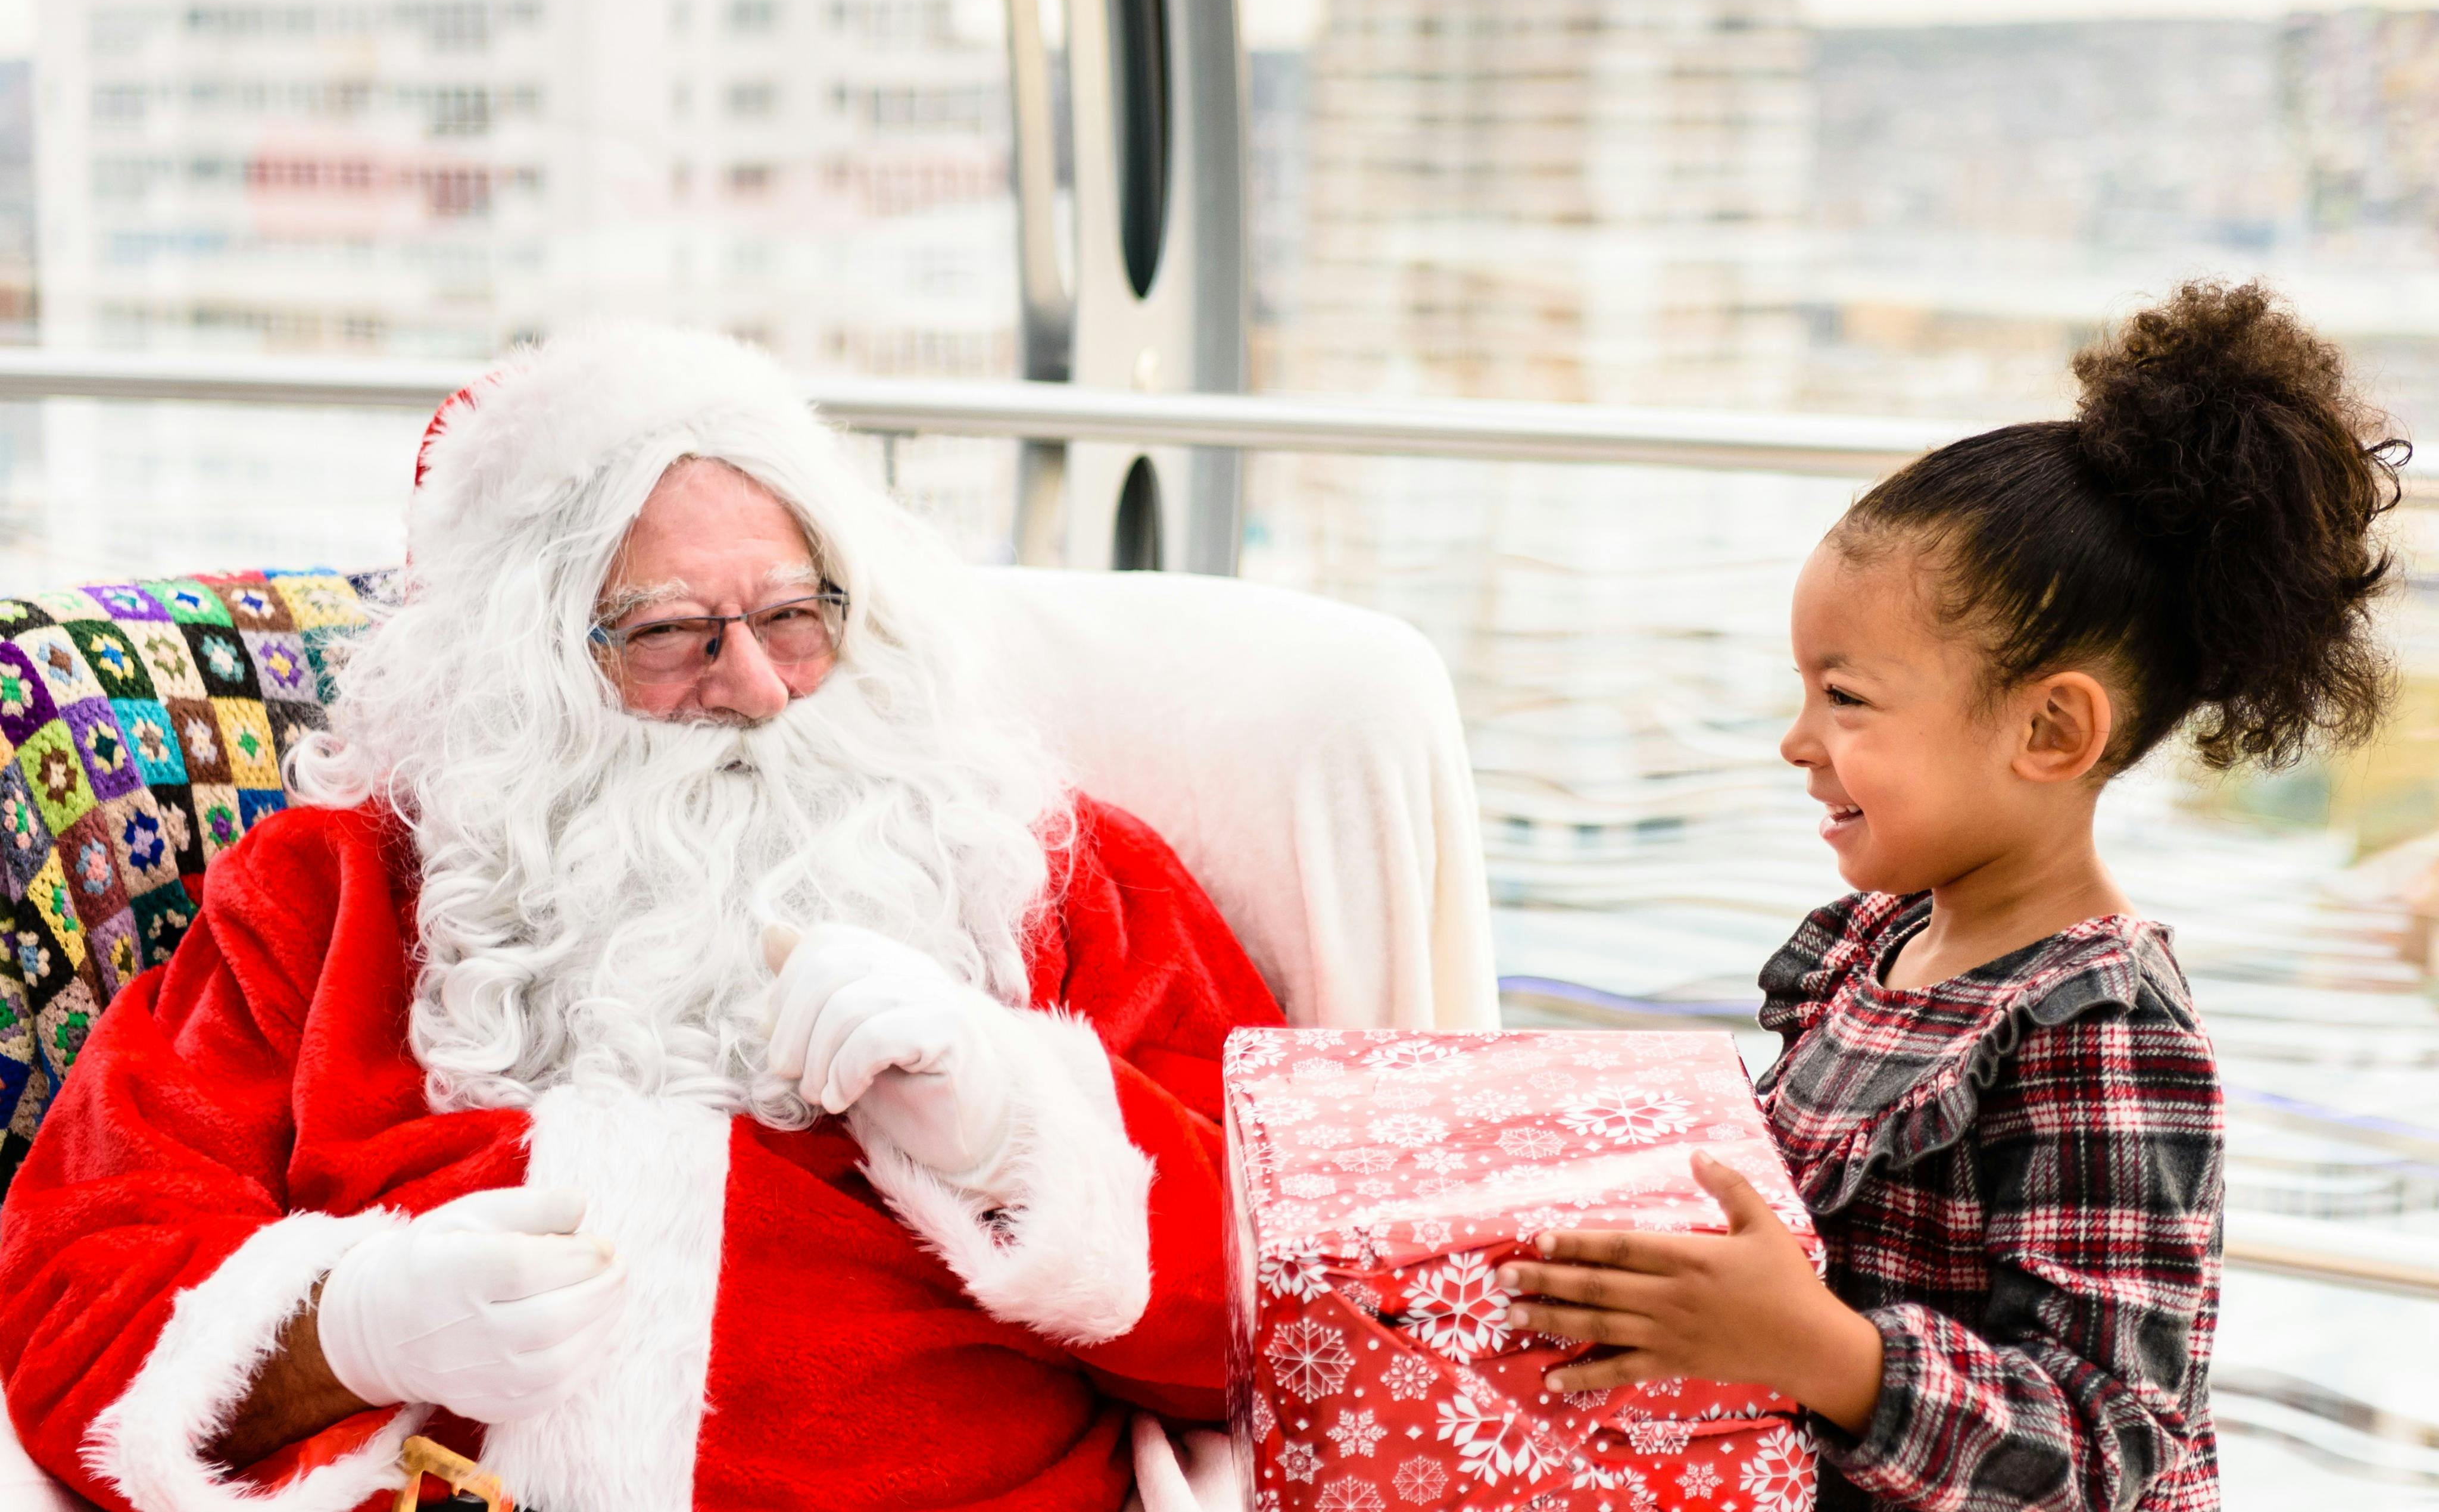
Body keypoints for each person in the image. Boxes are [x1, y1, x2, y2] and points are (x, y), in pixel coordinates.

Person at [0, 326, 1284, 1512]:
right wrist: (344, 1329)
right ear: (523, 667)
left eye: (794, 616)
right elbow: (74, 1292)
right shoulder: (323, 896)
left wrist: (1023, 1136)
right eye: (668, 635)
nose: (757, 689)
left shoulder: (1041, 864)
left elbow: (1313, 1307)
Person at [1497, 281, 2405, 1510]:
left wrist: (1817, 1351)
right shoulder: (1873, 944)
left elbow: (2106, 1454)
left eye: (1846, 699)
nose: (1796, 741)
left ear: (2048, 729)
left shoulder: (2102, 1030)